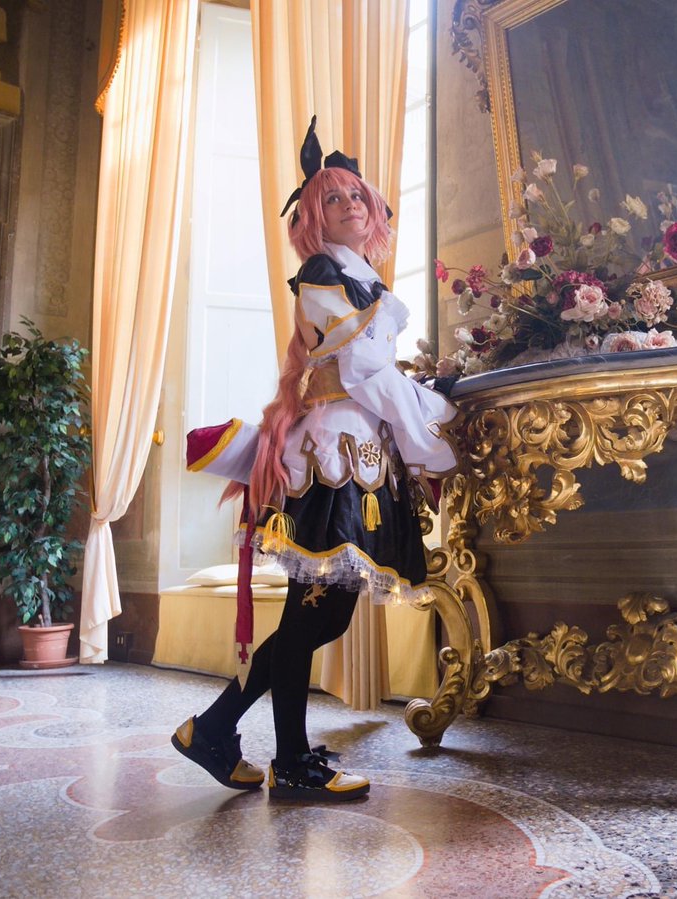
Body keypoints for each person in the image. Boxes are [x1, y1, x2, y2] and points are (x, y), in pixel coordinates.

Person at [172, 117, 459, 802]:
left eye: (357, 194)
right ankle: (292, 761)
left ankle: (213, 729)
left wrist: (424, 408)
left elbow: (373, 374)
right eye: (333, 198)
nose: (350, 204)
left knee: (323, 616)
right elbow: (363, 370)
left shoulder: (360, 279)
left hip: (356, 450)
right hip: (337, 457)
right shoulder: (324, 274)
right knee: (313, 616)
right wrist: (433, 423)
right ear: (311, 217)